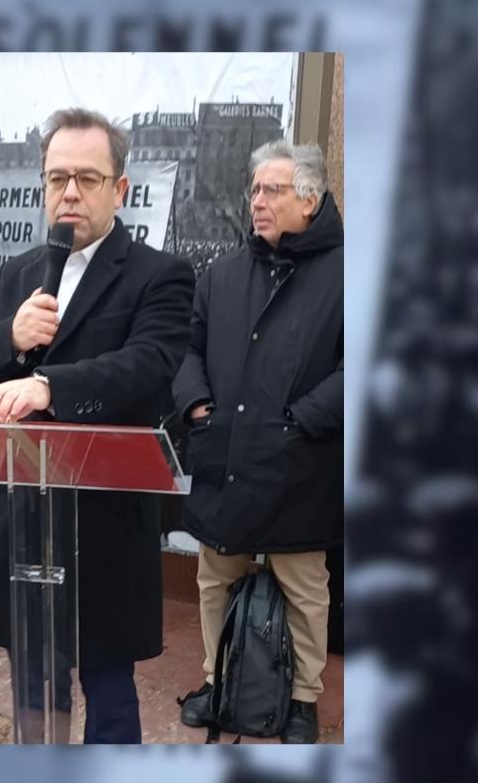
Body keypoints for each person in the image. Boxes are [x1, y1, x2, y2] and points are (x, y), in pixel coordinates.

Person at [0, 108, 194, 743]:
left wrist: (50, 385)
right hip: (26, 518)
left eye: (88, 178)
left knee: (108, 691)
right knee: (34, 691)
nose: (70, 193)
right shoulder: (19, 272)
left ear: (120, 188)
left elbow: (148, 365)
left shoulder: (159, 275)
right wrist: (10, 336)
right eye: (57, 178)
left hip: (104, 522)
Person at [173, 140, 343, 744]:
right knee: (214, 579)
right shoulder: (221, 274)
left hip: (302, 462)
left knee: (304, 588)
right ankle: (217, 680)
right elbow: (189, 351)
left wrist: (304, 419)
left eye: (273, 190)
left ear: (310, 199)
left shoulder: (349, 274)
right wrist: (196, 404)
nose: (257, 202)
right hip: (226, 456)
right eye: (254, 190)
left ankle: (302, 700)